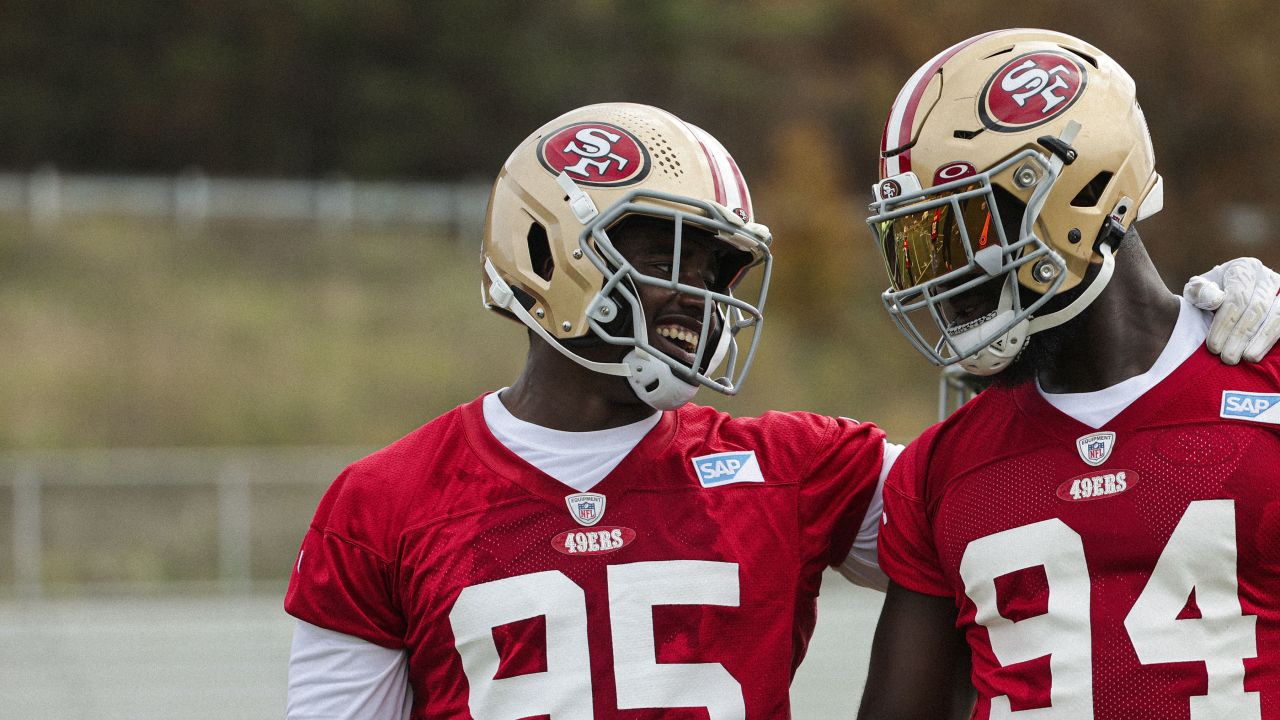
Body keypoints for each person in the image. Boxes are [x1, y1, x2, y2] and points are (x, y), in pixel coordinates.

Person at [283, 101, 1275, 719]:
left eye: (718, 264)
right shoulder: (382, 503)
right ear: (552, 247)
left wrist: (1188, 321)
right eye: (669, 253)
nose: (700, 292)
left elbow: (1053, 487)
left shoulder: (797, 468)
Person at [856, 28, 1280, 720]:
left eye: (967, 233)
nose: (942, 283)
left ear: (1080, 196)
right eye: (920, 247)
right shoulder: (940, 464)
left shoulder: (1266, 381)